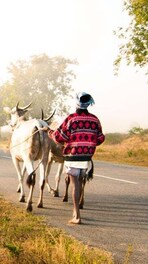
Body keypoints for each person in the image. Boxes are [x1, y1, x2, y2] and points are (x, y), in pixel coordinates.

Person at [47, 92, 105, 224]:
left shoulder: (71, 119)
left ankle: (77, 216)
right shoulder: (95, 119)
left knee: (75, 185)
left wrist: (50, 132)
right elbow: (100, 138)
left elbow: (60, 138)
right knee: (81, 182)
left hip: (73, 158)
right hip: (87, 158)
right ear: (89, 103)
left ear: (76, 102)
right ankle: (76, 211)